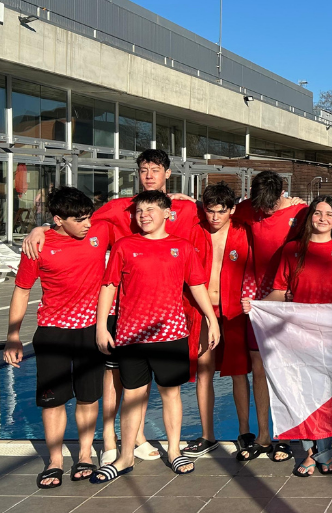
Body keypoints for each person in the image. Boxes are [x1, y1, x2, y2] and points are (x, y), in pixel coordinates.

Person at [22, 149, 202, 464]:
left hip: (158, 310)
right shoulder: (119, 207)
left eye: (156, 170)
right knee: (113, 377)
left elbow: (218, 215)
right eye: (143, 169)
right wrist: (43, 228)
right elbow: (76, 220)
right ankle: (109, 440)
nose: (149, 175)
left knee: (141, 381)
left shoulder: (183, 207)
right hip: (119, 308)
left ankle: (138, 436)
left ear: (168, 174)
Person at [91, 190, 219, 482]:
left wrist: (211, 319)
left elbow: (196, 285)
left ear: (167, 214)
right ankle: (125, 457)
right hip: (131, 336)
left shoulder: (181, 247)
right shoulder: (124, 246)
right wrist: (101, 326)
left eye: (150, 210)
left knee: (171, 394)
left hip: (170, 335)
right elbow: (109, 285)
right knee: (132, 396)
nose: (144, 215)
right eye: (139, 211)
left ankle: (174, 451)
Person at [5, 188, 112, 488]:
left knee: (88, 397)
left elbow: (136, 210)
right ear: (58, 220)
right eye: (79, 220)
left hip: (91, 329)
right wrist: (13, 335)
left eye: (88, 217)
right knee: (53, 401)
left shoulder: (99, 230)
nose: (87, 224)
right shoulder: (38, 246)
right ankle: (55, 461)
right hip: (53, 332)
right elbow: (22, 291)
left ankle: (86, 455)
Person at [247, 196, 332, 477]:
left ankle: (323, 452)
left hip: (330, 333)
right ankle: (309, 453)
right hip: (298, 333)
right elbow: (280, 291)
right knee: (303, 393)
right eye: (317, 213)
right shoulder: (292, 250)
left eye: (329, 214)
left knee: (326, 395)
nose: (323, 218)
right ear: (309, 217)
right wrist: (257, 306)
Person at [231, 170, 306, 462]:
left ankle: (286, 435)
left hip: (286, 297)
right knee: (259, 367)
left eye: (270, 205)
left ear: (281, 194)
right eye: (260, 205)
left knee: (285, 368)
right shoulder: (250, 208)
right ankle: (264, 436)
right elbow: (216, 209)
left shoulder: (299, 212)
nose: (265, 210)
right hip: (257, 298)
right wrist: (180, 198)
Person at [181, 183, 253, 458]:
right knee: (204, 370)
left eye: (221, 211)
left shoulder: (243, 232)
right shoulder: (194, 231)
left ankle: (244, 432)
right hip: (201, 309)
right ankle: (207, 435)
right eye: (210, 211)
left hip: (234, 310)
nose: (214, 217)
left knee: (238, 371)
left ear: (232, 210)